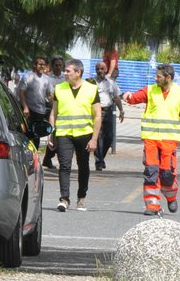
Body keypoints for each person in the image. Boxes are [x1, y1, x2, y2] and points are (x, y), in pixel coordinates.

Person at [122, 63, 180, 215]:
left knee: (167, 174)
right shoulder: (150, 90)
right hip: (150, 140)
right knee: (151, 172)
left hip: (169, 141)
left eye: (158, 76)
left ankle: (171, 196)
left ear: (168, 78)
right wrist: (128, 96)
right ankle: (152, 205)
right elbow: (135, 98)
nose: (155, 78)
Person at [49, 58, 100, 212]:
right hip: (64, 133)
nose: (65, 73)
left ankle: (81, 197)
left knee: (83, 166)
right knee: (64, 165)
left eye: (68, 71)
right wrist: (51, 133)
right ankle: (64, 199)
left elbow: (98, 115)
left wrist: (94, 139)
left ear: (78, 73)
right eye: (65, 71)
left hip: (84, 134)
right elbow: (53, 113)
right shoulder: (59, 88)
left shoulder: (91, 89)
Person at [19, 56, 54, 155]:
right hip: (29, 110)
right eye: (39, 64)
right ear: (35, 65)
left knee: (37, 135)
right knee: (27, 134)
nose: (41, 66)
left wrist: (54, 108)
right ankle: (26, 154)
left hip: (40, 111)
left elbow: (49, 95)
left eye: (43, 64)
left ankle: (34, 156)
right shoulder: (28, 77)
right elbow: (21, 93)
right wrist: (25, 107)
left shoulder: (47, 79)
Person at [93, 60, 121, 172]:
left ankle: (101, 158)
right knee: (98, 137)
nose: (100, 71)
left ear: (106, 69)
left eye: (102, 69)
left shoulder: (111, 82)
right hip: (96, 112)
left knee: (109, 137)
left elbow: (116, 97)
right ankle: (99, 162)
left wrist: (121, 110)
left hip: (108, 111)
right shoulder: (91, 82)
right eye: (98, 69)